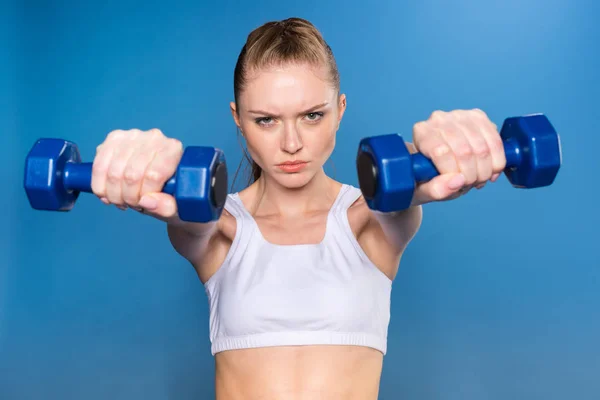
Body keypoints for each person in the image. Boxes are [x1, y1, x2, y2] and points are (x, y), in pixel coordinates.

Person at [90, 17, 506, 400]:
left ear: (340, 110)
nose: (291, 143)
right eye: (266, 120)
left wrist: (444, 147)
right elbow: (186, 215)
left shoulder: (371, 220)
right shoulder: (219, 228)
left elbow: (408, 183)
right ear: (238, 118)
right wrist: (144, 163)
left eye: (311, 115)